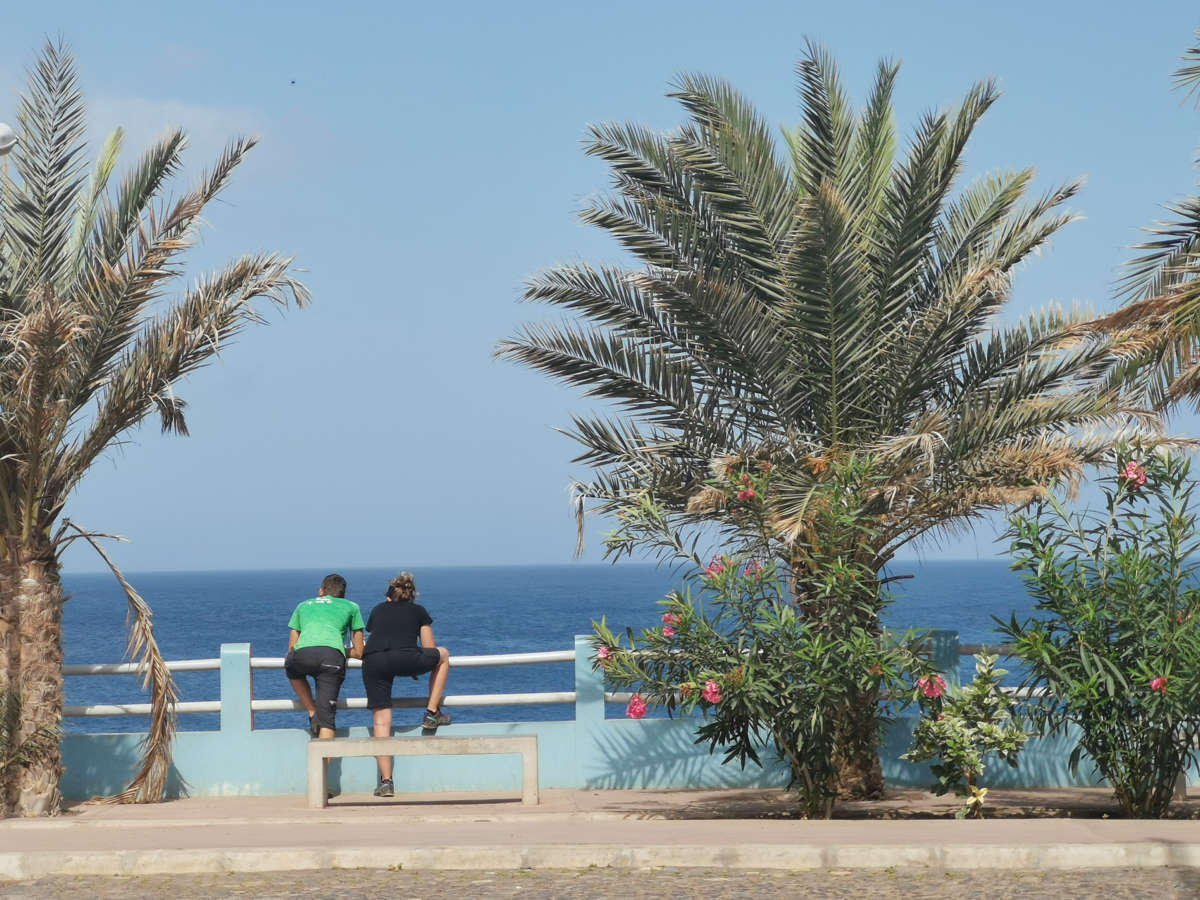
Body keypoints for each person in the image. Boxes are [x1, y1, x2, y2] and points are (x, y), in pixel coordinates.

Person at [361, 572, 451, 797]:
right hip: (406, 659)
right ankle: (431, 712)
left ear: (389, 596)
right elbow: (430, 649)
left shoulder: (378, 609)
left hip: (374, 661)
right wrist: (415, 667)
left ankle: (386, 782)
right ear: (411, 596)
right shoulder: (418, 611)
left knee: (381, 721)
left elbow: (373, 635)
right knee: (444, 655)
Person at [285, 573, 365, 740]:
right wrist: (340, 649)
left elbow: (292, 647)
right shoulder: (351, 607)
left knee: (291, 667)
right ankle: (323, 765)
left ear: (321, 591)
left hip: (302, 656)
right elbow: (359, 652)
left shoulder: (303, 605)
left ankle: (312, 711)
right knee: (328, 722)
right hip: (331, 658)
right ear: (343, 595)